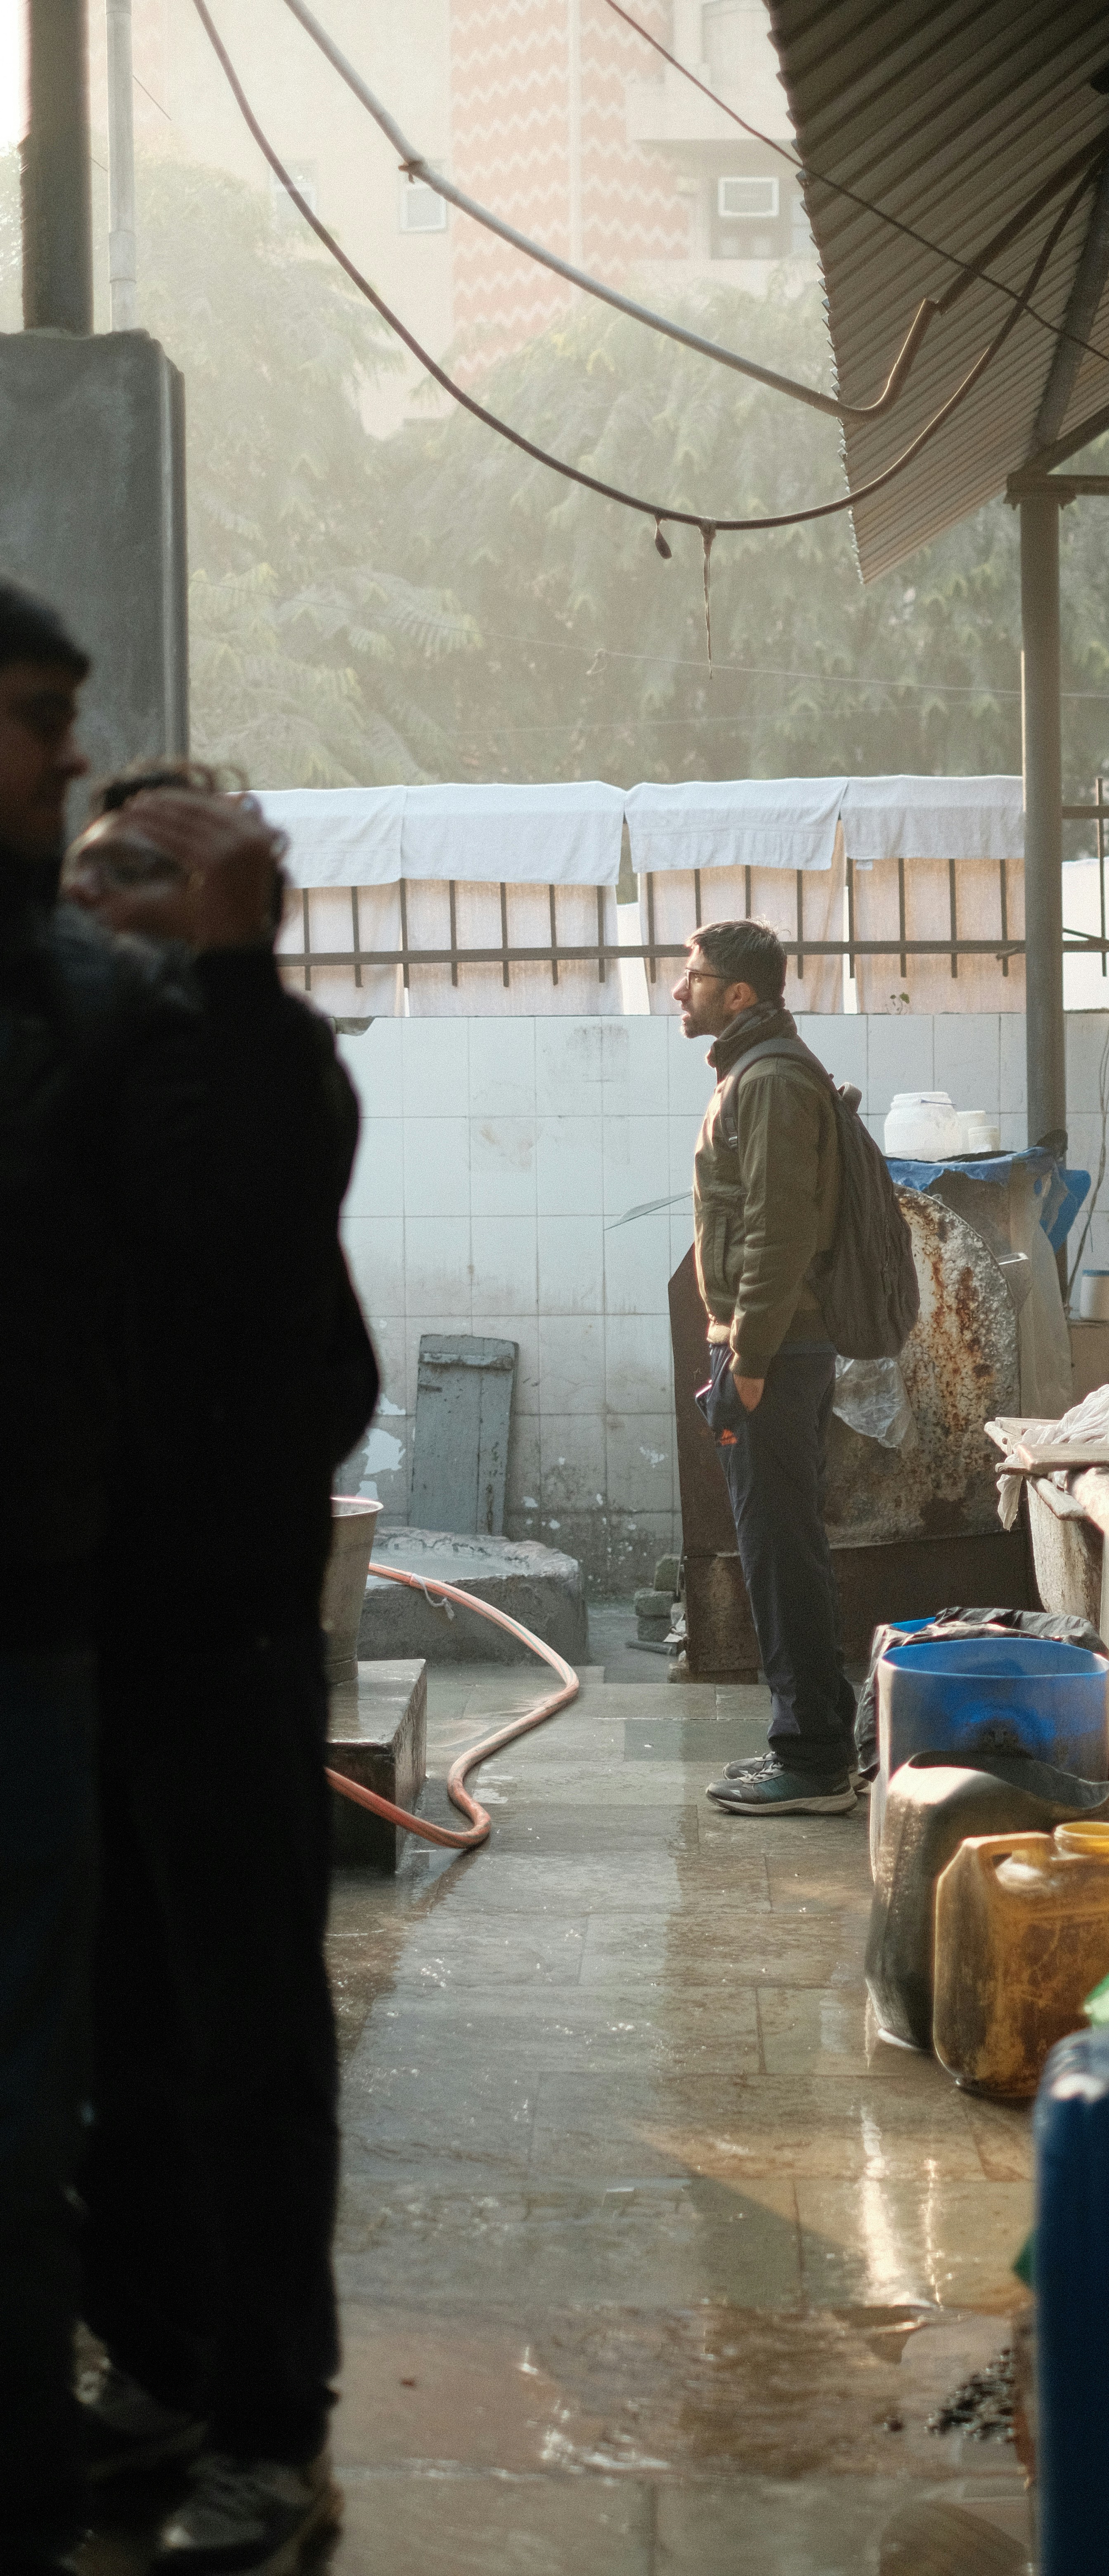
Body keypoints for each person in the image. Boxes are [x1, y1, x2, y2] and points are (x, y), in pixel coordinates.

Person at [61, 765, 376, 2574]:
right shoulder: (80, 1057)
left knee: (247, 2038)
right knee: (116, 2038)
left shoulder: (268, 1067)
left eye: (175, 868)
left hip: (222, 1623)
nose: (128, 890)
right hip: (66, 1621)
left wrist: (242, 974)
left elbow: (250, 1241)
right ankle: (165, 2367)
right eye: (111, 856)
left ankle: (271, 2428)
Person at [0, 587, 281, 2576]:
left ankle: (187, 2397)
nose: (74, 769)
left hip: (82, 1624)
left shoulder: (118, 1025)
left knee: (133, 2055)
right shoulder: (88, 1020)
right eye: (41, 724)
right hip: (57, 1614)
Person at [672, 919, 859, 1815]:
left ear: (739, 994)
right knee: (783, 1546)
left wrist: (745, 1358)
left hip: (774, 1353)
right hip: (769, 1348)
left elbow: (779, 1232)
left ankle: (813, 1759)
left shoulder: (773, 1081)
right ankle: (820, 1735)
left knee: (780, 1553)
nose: (682, 991)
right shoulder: (757, 1074)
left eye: (695, 977)